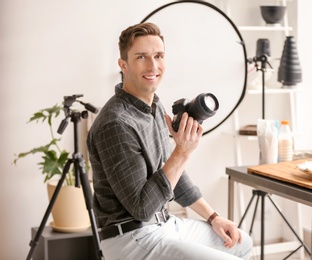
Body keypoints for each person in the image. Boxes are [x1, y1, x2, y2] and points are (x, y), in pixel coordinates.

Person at [87, 22, 252, 260]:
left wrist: (214, 217)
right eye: (141, 57)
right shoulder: (116, 123)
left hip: (164, 225)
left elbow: (170, 175)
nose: (153, 65)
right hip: (130, 238)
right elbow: (142, 208)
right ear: (123, 64)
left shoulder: (153, 106)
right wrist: (182, 152)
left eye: (159, 56)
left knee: (241, 243)